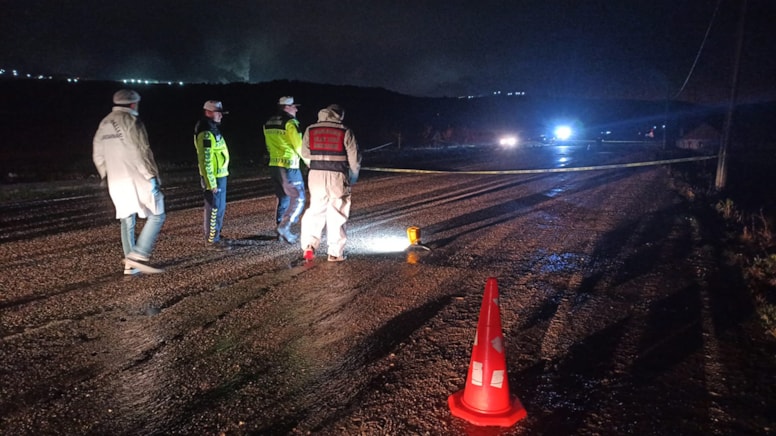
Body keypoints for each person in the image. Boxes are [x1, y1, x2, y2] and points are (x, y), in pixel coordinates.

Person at [93, 89, 166, 274]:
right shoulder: (133, 121)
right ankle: (138, 254)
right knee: (157, 214)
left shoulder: (104, 122)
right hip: (137, 178)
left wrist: (105, 174)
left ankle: (130, 264)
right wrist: (151, 175)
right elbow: (140, 151)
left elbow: (98, 154)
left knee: (127, 219)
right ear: (134, 104)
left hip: (115, 181)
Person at [299, 104, 361, 262]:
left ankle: (309, 246)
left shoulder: (310, 129)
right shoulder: (345, 131)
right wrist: (353, 175)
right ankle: (334, 253)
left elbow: (305, 153)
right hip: (337, 177)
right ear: (339, 115)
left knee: (315, 210)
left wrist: (314, 166)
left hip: (316, 176)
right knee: (337, 213)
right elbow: (354, 158)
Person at [263, 96, 306, 244]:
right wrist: (309, 162)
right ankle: (284, 227)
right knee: (299, 198)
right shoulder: (291, 123)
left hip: (274, 165)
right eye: (294, 106)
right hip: (289, 166)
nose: (296, 109)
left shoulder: (268, 122)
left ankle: (280, 232)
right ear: (286, 107)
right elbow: (299, 146)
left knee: (283, 198)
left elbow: (268, 145)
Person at [194, 100, 231, 248]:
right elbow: (205, 160)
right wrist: (211, 183)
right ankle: (211, 240)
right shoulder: (206, 132)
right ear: (208, 112)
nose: (221, 116)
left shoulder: (212, 128)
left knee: (219, 208)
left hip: (219, 175)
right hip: (214, 177)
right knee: (214, 209)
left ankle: (216, 235)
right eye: (218, 112)